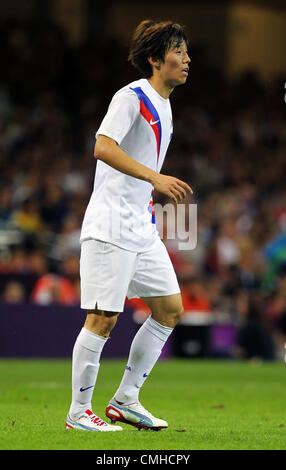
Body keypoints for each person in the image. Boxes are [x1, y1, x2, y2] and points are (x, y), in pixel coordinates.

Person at [66, 19, 192, 432]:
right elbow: (103, 146)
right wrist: (154, 178)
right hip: (111, 225)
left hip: (141, 225)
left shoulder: (166, 105)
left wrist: (151, 189)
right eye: (178, 51)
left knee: (170, 310)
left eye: (187, 51)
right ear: (155, 59)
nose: (187, 58)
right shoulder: (132, 96)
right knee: (102, 318)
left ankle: (125, 400)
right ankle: (79, 414)